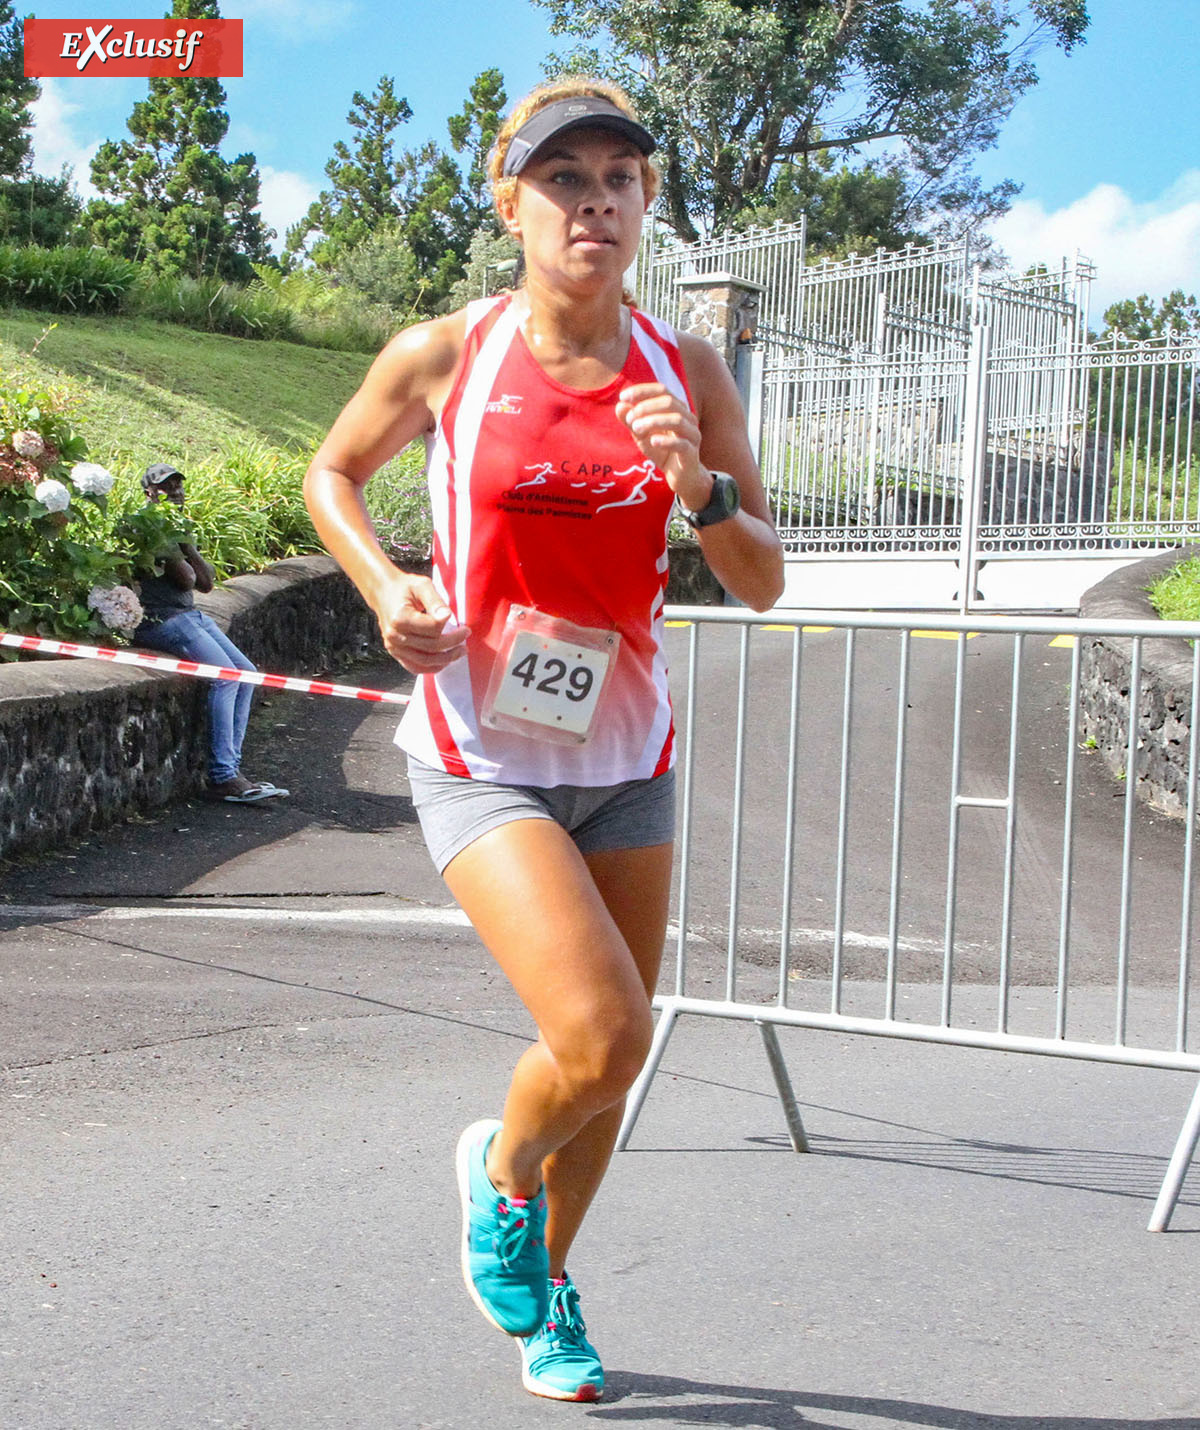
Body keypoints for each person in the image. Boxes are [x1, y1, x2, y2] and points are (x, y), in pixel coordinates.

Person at [304, 78, 783, 1402]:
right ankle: (500, 1173)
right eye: (565, 178)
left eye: (621, 179)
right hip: (480, 749)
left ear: (646, 208)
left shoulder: (684, 369)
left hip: (631, 754)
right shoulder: (447, 354)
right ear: (511, 203)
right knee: (602, 1030)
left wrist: (701, 489)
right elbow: (331, 472)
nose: (597, 202)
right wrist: (386, 587)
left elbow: (762, 580)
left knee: (608, 1068)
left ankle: (549, 1284)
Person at [132, 462, 288, 804]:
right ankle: (223, 776)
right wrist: (182, 544)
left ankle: (232, 768)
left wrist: (185, 543)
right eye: (165, 487)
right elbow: (186, 579)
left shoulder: (175, 527)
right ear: (149, 493)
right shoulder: (151, 525)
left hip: (189, 613)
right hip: (162, 619)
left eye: (178, 485)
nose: (174, 492)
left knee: (246, 673)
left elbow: (206, 583)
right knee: (226, 676)